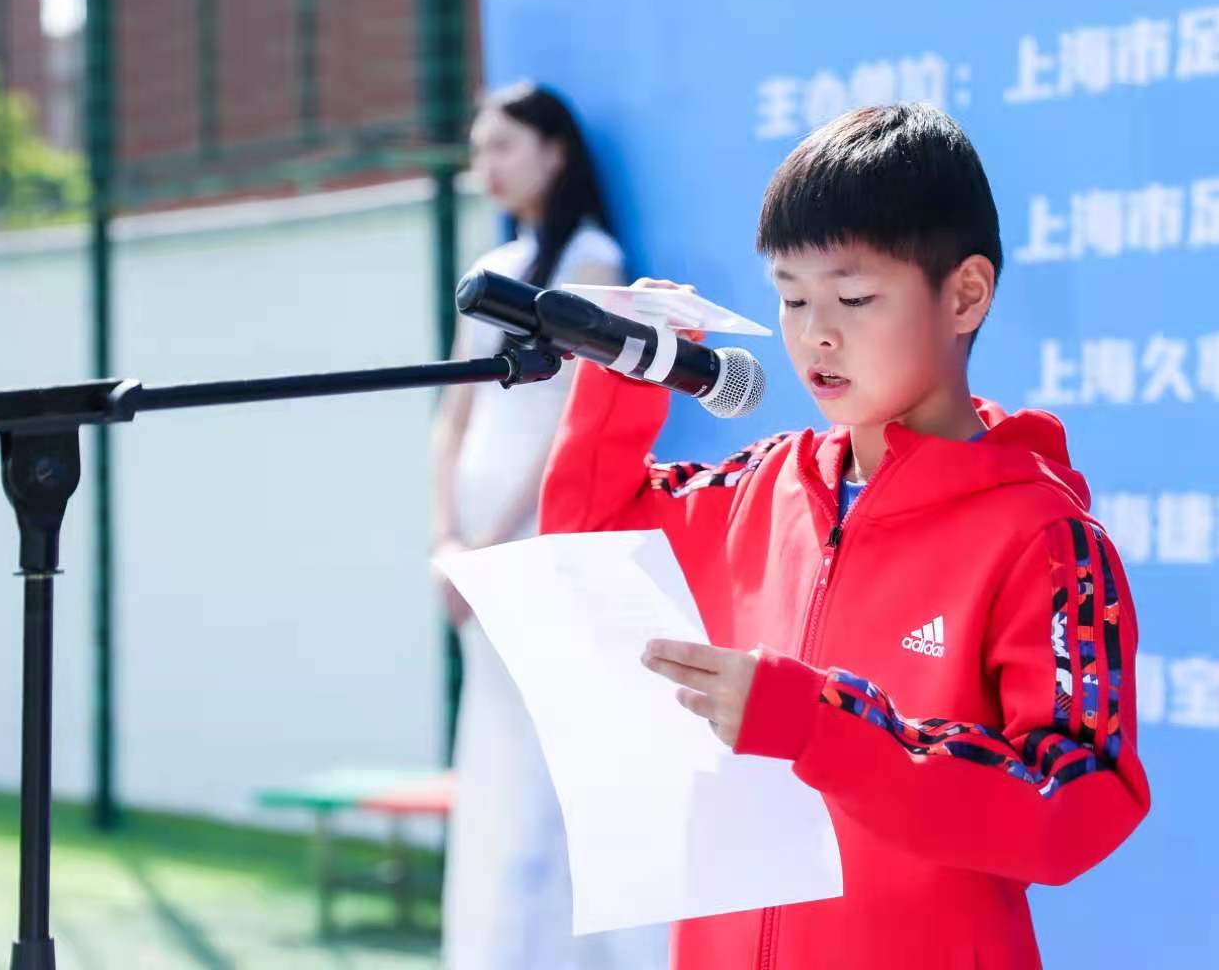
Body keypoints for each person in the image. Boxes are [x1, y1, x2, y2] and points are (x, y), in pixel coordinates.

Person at [539, 103, 1151, 969]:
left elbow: (1078, 800)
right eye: (791, 298)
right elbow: (591, 543)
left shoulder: (1042, 536)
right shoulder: (760, 486)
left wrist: (819, 727)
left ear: (964, 294)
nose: (814, 334)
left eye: (854, 298)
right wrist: (625, 371)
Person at [431, 82, 668, 970]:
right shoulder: (497, 265)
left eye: (502, 146)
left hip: (546, 539)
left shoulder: (593, 263)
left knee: (553, 759)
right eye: (477, 148)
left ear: (554, 152)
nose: (484, 166)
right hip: (475, 546)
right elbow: (451, 413)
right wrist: (445, 541)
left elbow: (576, 416)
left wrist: (489, 543)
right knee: (498, 758)